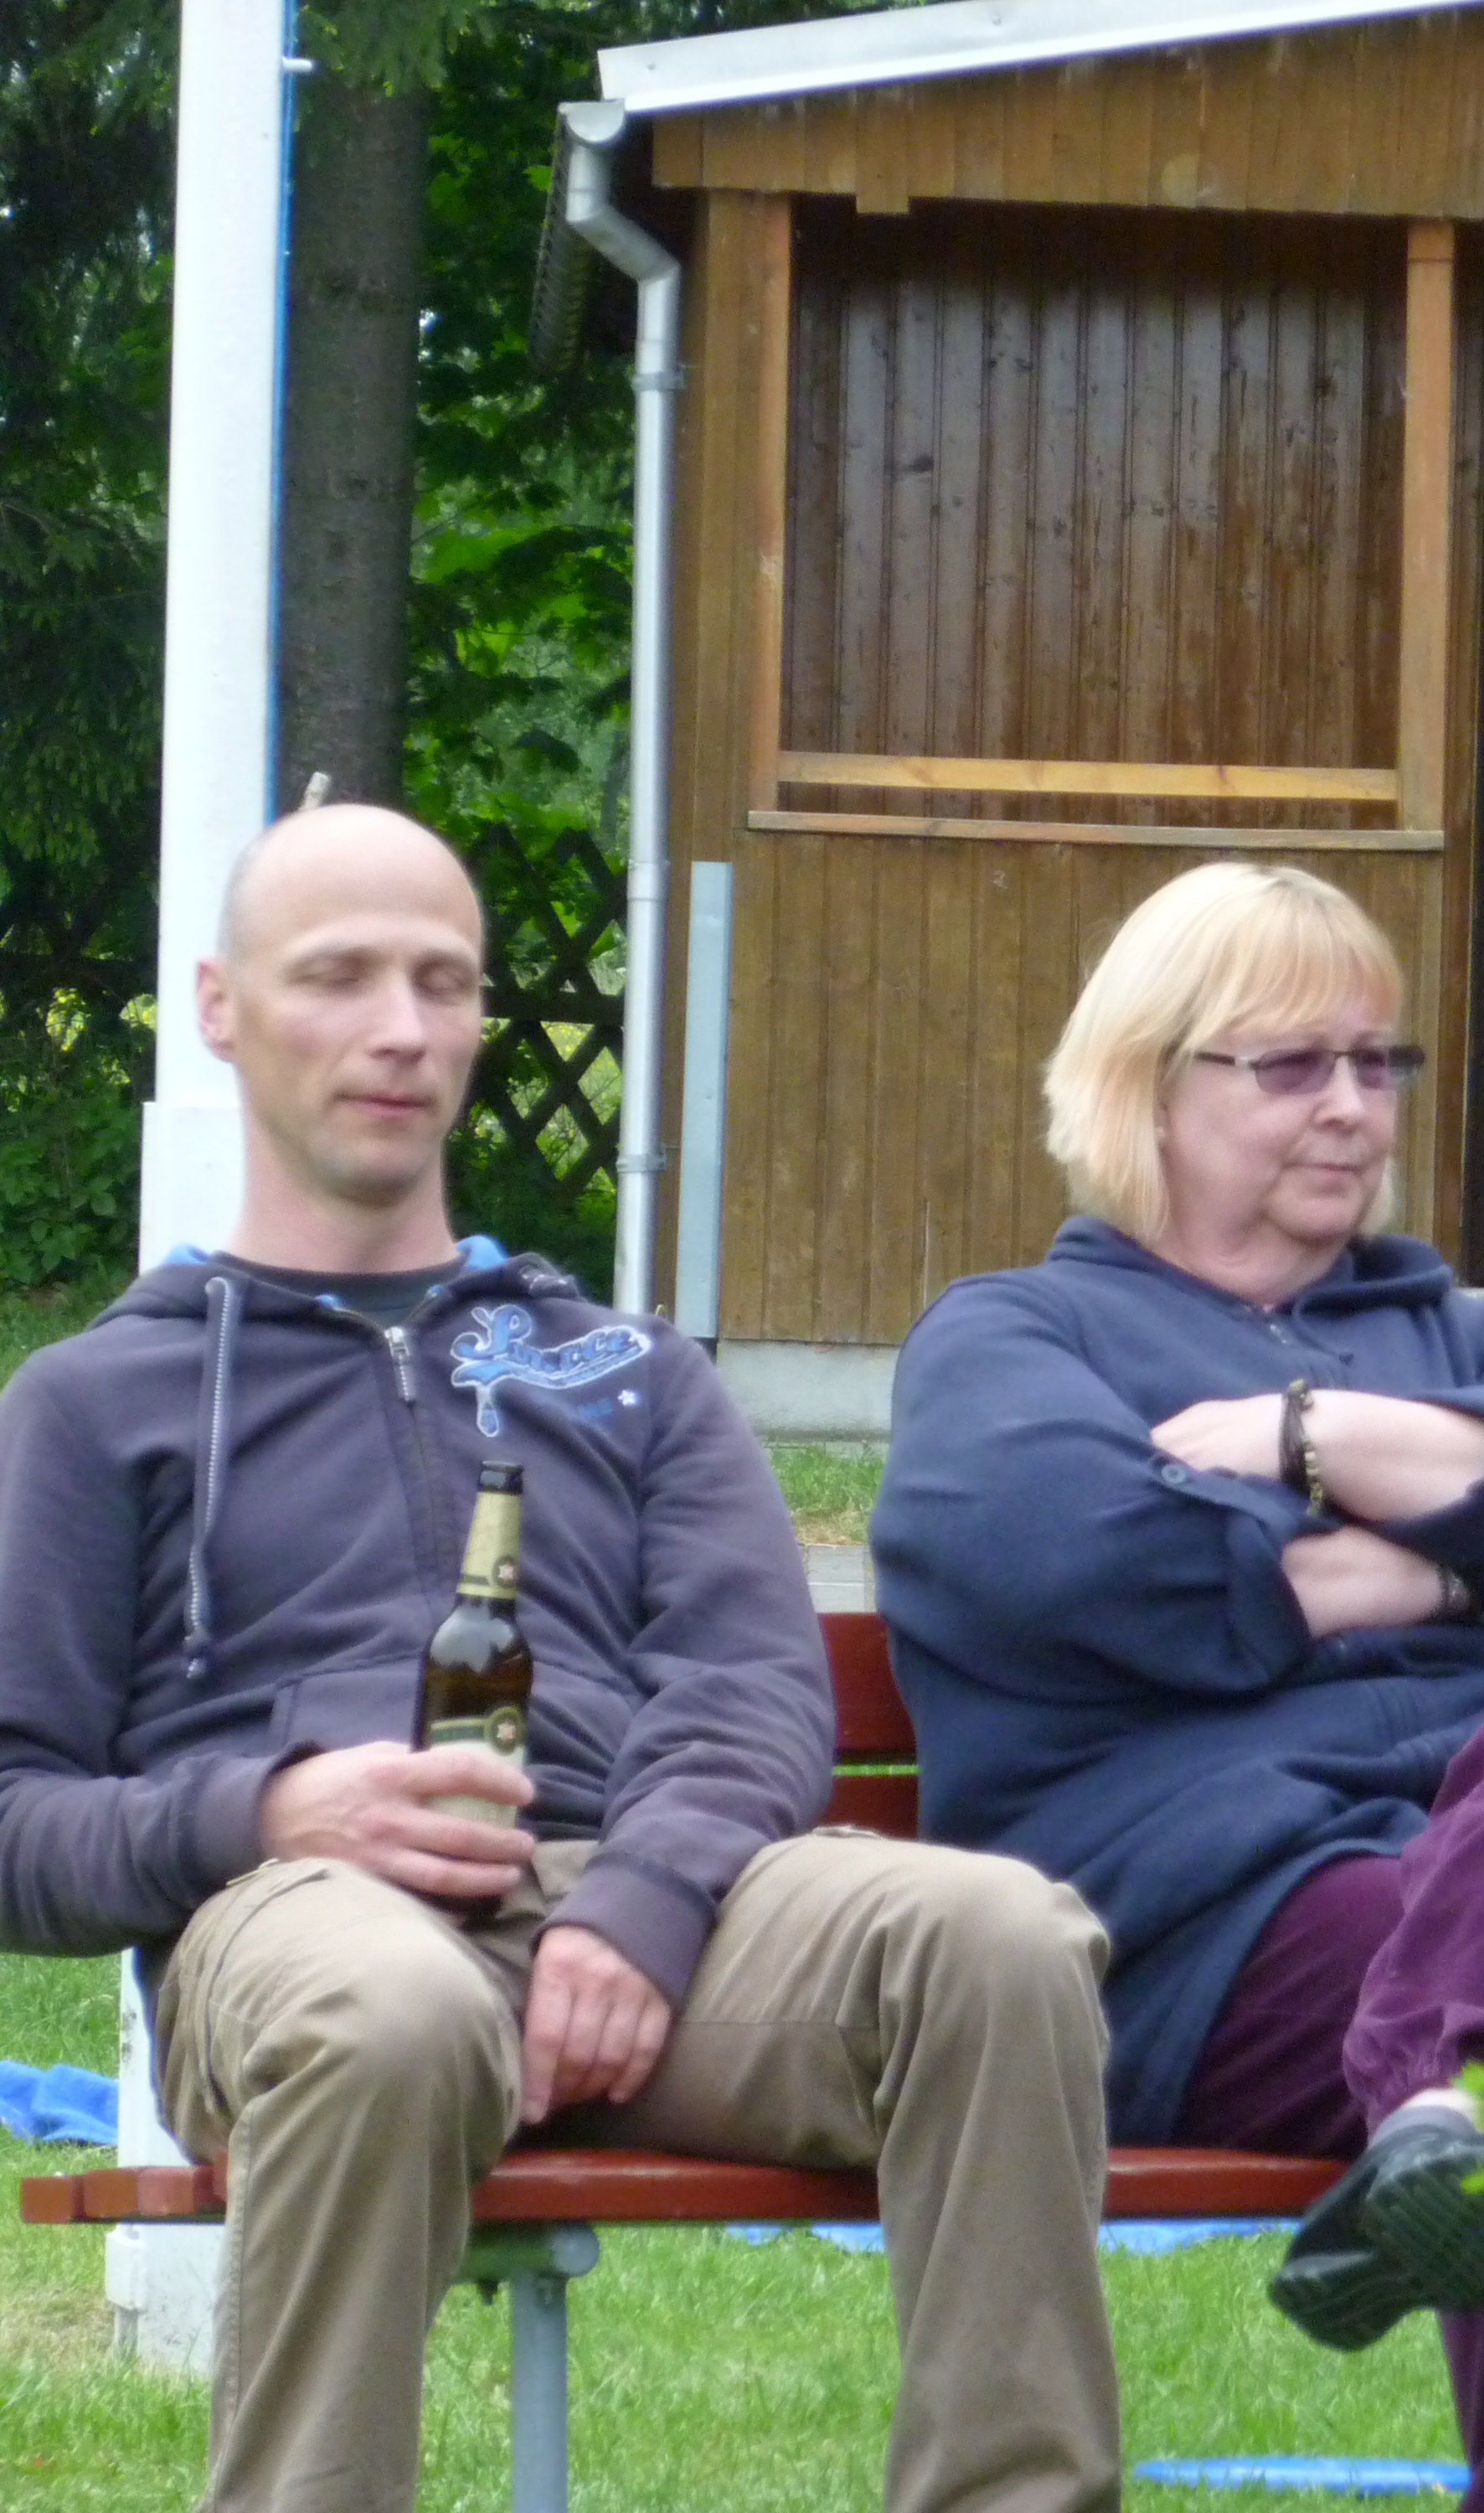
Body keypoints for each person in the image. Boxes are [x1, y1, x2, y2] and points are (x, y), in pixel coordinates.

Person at [0, 806, 1126, 2513]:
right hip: (304, 1930)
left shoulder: (627, 1371)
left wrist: (643, 1905)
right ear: (220, 1008)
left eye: (442, 981)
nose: (401, 1028)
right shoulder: (98, 1402)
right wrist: (270, 1812)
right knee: (384, 2015)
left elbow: (752, 1690)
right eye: (340, 978)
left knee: (999, 1938)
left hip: (661, 1931)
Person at [873, 861, 1484, 2513]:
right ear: (1147, 1087)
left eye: (1374, 1061)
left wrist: (1305, 1437)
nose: (1349, 1106)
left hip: (1465, 1887)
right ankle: (1479, 2094)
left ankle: (1456, 2109)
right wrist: (1455, 1558)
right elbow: (1101, 1565)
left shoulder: (1450, 1332)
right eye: (1288, 1065)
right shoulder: (1014, 1340)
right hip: (1195, 1934)